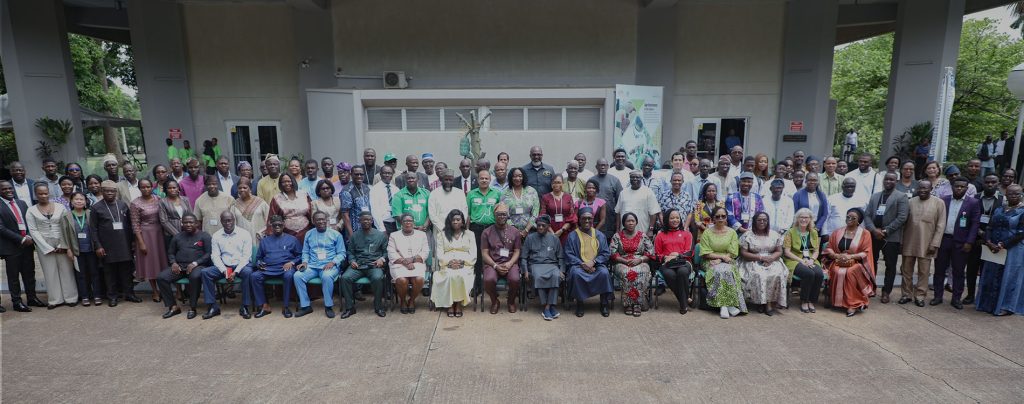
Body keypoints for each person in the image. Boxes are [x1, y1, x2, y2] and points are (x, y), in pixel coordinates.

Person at [25, 183, 78, 308]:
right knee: (50, 271)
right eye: (40, 194)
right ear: (36, 195)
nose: (43, 196)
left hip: (62, 240)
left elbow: (66, 226)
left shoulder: (60, 207)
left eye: (45, 193)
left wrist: (62, 244)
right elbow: (33, 230)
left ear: (49, 193)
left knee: (67, 270)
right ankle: (55, 300)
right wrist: (46, 247)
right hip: (43, 243)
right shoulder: (31, 210)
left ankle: (71, 297)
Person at [932, 177, 982, 309]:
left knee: (958, 272)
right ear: (952, 187)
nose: (959, 188)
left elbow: (975, 224)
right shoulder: (944, 200)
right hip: (944, 240)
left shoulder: (973, 203)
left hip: (961, 242)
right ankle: (937, 296)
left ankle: (956, 298)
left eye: (962, 186)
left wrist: (969, 241)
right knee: (939, 269)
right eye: (957, 186)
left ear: (967, 188)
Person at [91, 180, 140, 306]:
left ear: (116, 192)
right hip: (107, 246)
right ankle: (112, 296)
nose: (109, 193)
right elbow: (93, 229)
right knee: (109, 273)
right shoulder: (96, 208)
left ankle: (129, 294)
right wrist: (98, 246)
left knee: (127, 272)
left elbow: (130, 224)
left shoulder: (122, 205)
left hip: (124, 244)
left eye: (112, 191)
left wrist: (133, 242)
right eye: (106, 191)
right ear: (102, 192)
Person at [198, 211, 254, 319]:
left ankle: (245, 306)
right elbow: (215, 256)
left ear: (234, 220)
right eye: (225, 221)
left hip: (241, 265)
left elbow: (246, 256)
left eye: (230, 220)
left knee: (248, 272)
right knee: (205, 273)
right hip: (224, 266)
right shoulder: (216, 235)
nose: (228, 223)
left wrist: (235, 272)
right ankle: (213, 307)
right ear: (221, 222)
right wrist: (225, 271)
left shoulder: (244, 234)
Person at [863, 172, 909, 303]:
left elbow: (902, 217)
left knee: (890, 265)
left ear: (896, 181)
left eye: (892, 180)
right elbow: (867, 215)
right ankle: (871, 288)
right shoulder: (875, 196)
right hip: (874, 235)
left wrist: (885, 231)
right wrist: (873, 230)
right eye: (886, 179)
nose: (888, 181)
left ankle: (886, 292)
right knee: (871, 262)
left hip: (891, 237)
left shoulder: (901, 196)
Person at [899, 180, 946, 307]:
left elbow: (941, 225)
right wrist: (901, 241)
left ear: (931, 189)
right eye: (920, 188)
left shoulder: (939, 203)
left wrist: (935, 244)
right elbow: (903, 224)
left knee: (924, 272)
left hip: (927, 243)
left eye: (926, 188)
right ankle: (906, 294)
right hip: (909, 241)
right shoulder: (910, 202)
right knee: (906, 270)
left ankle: (920, 296)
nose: (923, 190)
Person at [978, 185, 1023, 315]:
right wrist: (989, 242)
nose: (1013, 196)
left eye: (1017, 193)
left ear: (1021, 195)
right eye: (1010, 193)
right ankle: (987, 304)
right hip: (993, 248)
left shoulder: (1022, 211)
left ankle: (1006, 306)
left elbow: (1021, 233)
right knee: (990, 274)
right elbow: (989, 227)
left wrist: (1004, 244)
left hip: (1013, 249)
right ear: (1006, 195)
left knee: (1009, 276)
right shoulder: (999, 209)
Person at [156, 214, 210, 319]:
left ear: (196, 223)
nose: (188, 225)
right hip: (180, 267)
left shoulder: (204, 236)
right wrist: (173, 263)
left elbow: (208, 254)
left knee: (195, 277)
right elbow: (171, 253)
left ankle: (192, 307)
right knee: (161, 277)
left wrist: (195, 263)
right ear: (182, 224)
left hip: (198, 266)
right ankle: (173, 307)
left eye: (191, 222)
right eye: (185, 222)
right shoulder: (177, 236)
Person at [295, 211, 347, 318]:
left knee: (327, 276)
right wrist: (304, 262)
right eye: (318, 220)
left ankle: (328, 306)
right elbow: (305, 252)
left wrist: (333, 262)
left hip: (329, 265)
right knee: (297, 276)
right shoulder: (309, 234)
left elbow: (342, 253)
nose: (321, 221)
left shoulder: (336, 234)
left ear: (326, 220)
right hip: (313, 266)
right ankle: (306, 306)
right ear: (313, 221)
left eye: (323, 219)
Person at [824, 208, 875, 317]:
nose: (849, 219)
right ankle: (837, 301)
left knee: (850, 272)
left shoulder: (865, 234)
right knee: (836, 271)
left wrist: (850, 256)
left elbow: (866, 252)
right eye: (848, 216)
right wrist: (837, 255)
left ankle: (853, 303)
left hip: (856, 262)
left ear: (858, 221)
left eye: (853, 218)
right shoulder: (838, 232)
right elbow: (829, 248)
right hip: (837, 261)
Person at [564, 207, 614, 317]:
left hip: (597, 265)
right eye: (584, 218)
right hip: (578, 265)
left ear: (593, 219)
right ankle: (580, 303)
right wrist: (582, 264)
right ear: (579, 219)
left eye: (589, 218)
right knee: (575, 274)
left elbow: (606, 253)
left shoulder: (600, 235)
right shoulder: (572, 236)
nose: (587, 221)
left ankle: (604, 303)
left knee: (604, 273)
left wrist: (594, 262)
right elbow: (569, 254)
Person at [699, 206, 746, 319]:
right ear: (713, 218)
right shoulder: (707, 233)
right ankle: (726, 306)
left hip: (728, 260)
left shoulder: (732, 232)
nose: (720, 218)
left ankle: (725, 305)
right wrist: (721, 257)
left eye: (723, 216)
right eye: (718, 216)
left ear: (726, 218)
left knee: (727, 270)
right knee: (719, 271)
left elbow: (733, 251)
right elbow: (705, 253)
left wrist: (721, 259)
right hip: (709, 261)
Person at [738, 211, 788, 315]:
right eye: (759, 220)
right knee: (759, 274)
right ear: (754, 221)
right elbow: (743, 253)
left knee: (776, 273)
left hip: (772, 259)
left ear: (768, 221)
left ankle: (768, 303)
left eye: (765, 220)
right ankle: (760, 302)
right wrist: (760, 257)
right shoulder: (747, 235)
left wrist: (771, 258)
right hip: (752, 259)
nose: (762, 222)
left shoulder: (774, 234)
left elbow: (779, 251)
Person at [251, 215, 301, 318]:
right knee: (254, 276)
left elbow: (300, 255)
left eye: (279, 225)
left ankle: (286, 306)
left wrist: (292, 262)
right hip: (268, 268)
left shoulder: (292, 239)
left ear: (283, 225)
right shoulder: (265, 241)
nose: (277, 227)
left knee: (288, 275)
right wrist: (259, 263)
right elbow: (259, 258)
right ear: (271, 226)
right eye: (275, 225)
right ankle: (264, 306)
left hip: (285, 268)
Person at [341, 212, 389, 318]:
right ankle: (350, 308)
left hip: (374, 265)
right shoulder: (354, 236)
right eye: (364, 219)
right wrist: (352, 261)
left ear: (372, 221)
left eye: (368, 220)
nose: (366, 221)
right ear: (359, 221)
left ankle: (378, 306)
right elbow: (350, 252)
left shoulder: (380, 235)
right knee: (345, 278)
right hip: (358, 265)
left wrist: (381, 259)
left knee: (377, 278)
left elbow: (386, 252)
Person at [965, 174, 1003, 305]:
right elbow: (968, 219)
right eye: (987, 182)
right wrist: (980, 234)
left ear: (998, 183)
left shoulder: (1003, 200)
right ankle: (970, 295)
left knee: (988, 271)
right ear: (983, 183)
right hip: (974, 240)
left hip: (992, 242)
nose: (990, 184)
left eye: (993, 182)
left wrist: (987, 239)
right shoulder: (974, 198)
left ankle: (982, 297)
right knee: (971, 269)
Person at [431, 209, 476, 317]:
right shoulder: (442, 234)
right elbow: (439, 253)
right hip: (447, 264)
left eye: (458, 219)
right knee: (450, 276)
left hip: (465, 264)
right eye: (453, 220)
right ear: (449, 221)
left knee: (460, 275)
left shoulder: (470, 234)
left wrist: (462, 262)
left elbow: (473, 253)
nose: (455, 222)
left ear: (462, 221)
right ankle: (450, 304)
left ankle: (458, 303)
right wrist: (449, 263)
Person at [610, 212, 656, 316]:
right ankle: (628, 304)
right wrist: (624, 261)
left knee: (641, 272)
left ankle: (637, 304)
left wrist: (640, 260)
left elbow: (651, 252)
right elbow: (612, 253)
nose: (631, 223)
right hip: (622, 261)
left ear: (636, 222)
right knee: (627, 272)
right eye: (628, 221)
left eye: (633, 221)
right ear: (623, 223)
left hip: (640, 260)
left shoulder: (642, 236)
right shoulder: (617, 236)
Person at [479, 204, 523, 314]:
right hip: (492, 263)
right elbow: (484, 253)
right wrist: (495, 265)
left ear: (508, 215)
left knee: (515, 279)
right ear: (494, 215)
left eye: (504, 214)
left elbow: (517, 251)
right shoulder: (486, 232)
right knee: (488, 279)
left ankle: (511, 301)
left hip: (510, 263)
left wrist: (510, 263)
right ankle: (495, 301)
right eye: (499, 214)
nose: (502, 217)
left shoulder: (515, 231)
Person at [130, 179, 168, 302]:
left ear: (152, 187)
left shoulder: (159, 199)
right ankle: (155, 291)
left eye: (148, 187)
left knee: (162, 261)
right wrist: (141, 243)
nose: (146, 189)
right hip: (146, 234)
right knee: (151, 263)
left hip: (160, 233)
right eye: (143, 187)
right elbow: (135, 224)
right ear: (139, 188)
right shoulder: (135, 203)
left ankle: (165, 290)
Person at [521, 215, 563, 320]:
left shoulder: (554, 238)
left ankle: (548, 307)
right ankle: (548, 307)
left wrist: (562, 270)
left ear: (548, 226)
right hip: (535, 265)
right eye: (538, 225)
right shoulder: (530, 238)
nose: (540, 227)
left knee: (556, 276)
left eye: (543, 225)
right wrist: (525, 270)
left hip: (552, 265)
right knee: (538, 276)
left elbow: (561, 257)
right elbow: (524, 257)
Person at [783, 208, 824, 313]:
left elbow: (816, 251)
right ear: (797, 218)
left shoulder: (813, 232)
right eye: (801, 217)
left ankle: (811, 300)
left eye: (806, 217)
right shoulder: (790, 232)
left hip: (810, 259)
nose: (804, 219)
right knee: (809, 273)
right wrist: (801, 261)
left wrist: (812, 260)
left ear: (810, 219)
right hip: (794, 260)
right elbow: (787, 252)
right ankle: (804, 300)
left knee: (819, 274)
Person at [64, 191, 101, 306]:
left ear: (85, 202)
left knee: (94, 273)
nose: (79, 201)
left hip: (91, 249)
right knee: (81, 275)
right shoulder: (66, 216)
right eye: (76, 199)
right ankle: (85, 296)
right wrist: (68, 249)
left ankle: (97, 295)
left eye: (81, 199)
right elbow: (64, 234)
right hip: (77, 251)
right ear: (71, 202)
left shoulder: (90, 213)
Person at [653, 209, 693, 315]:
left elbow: (689, 252)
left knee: (682, 272)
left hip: (684, 261)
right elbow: (657, 254)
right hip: (667, 263)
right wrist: (666, 257)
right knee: (669, 274)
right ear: (667, 219)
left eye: (677, 218)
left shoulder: (686, 234)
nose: (675, 220)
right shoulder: (660, 235)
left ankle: (683, 304)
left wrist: (677, 255)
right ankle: (685, 300)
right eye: (672, 218)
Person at [388, 213, 429, 314]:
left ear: (413, 223)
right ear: (401, 223)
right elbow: (391, 253)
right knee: (402, 280)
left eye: (410, 221)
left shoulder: (422, 235)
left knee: (419, 279)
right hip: (399, 264)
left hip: (416, 263)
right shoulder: (394, 235)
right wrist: (405, 262)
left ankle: (411, 300)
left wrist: (412, 259)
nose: (408, 223)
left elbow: (425, 252)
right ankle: (402, 301)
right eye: (405, 221)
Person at [267, 173, 312, 243]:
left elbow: (311, 213)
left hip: (306, 231)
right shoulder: (276, 198)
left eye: (289, 181)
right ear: (280, 184)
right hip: (287, 233)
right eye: (284, 182)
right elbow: (272, 218)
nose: (287, 184)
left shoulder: (304, 194)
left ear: (293, 181)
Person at [429, 168, 469, 238]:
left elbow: (464, 212)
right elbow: (432, 214)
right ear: (442, 180)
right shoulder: (434, 193)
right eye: (446, 180)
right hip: (440, 231)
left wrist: (457, 226)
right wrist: (443, 228)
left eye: (450, 180)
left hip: (457, 231)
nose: (448, 182)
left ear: (453, 180)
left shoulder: (460, 193)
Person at [502, 167, 540, 239]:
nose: (517, 178)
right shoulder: (505, 193)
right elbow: (504, 214)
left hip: (531, 231)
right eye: (515, 176)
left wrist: (526, 230)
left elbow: (535, 213)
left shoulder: (532, 191)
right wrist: (515, 231)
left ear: (523, 177)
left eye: (520, 176)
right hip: (511, 232)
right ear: (511, 178)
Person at [230, 177, 269, 246]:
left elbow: (270, 220)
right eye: (240, 188)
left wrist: (262, 232)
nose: (242, 190)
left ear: (250, 189)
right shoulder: (234, 205)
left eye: (245, 188)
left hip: (259, 240)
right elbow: (232, 225)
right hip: (242, 241)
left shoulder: (261, 202)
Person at [540, 174, 578, 243]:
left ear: (563, 184)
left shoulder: (568, 197)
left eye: (559, 182)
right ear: (551, 184)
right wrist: (552, 233)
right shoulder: (545, 197)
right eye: (554, 182)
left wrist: (562, 230)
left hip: (565, 230)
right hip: (549, 230)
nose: (556, 185)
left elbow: (572, 216)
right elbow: (543, 216)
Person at [158, 180, 192, 247]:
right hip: (171, 234)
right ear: (166, 190)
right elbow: (164, 221)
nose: (172, 190)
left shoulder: (185, 199)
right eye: (169, 188)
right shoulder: (162, 202)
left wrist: (190, 228)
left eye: (174, 187)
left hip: (187, 231)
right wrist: (177, 235)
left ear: (178, 188)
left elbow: (191, 215)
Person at [340, 166, 372, 238]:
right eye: (356, 174)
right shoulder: (347, 191)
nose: (359, 176)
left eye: (361, 174)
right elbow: (345, 215)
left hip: (368, 228)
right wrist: (351, 235)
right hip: (355, 230)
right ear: (351, 174)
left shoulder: (366, 188)